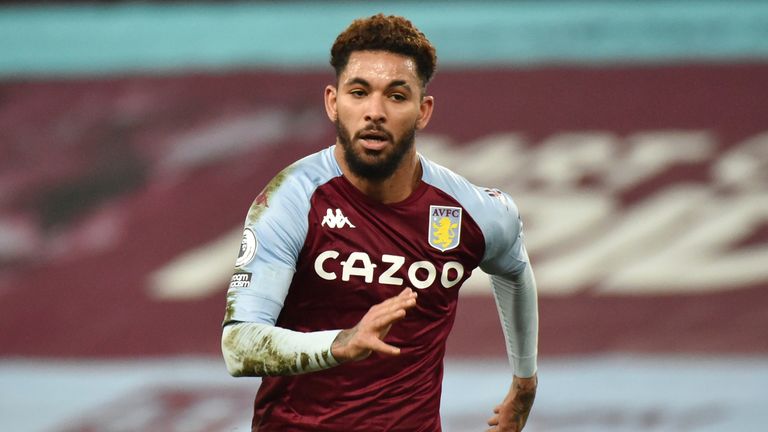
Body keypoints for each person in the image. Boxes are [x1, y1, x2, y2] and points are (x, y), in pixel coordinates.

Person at [221, 13, 538, 432]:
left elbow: (514, 269)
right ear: (333, 102)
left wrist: (525, 379)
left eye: (396, 96)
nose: (375, 112)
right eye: (359, 92)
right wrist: (340, 343)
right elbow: (238, 346)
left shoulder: (473, 212)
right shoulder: (292, 199)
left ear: (423, 111)